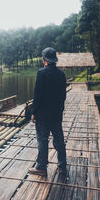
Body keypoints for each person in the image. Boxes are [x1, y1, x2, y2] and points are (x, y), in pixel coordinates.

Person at [28, 47, 67, 177]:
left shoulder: (41, 73)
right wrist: (60, 110)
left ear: (44, 60)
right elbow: (63, 96)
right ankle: (62, 166)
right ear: (54, 60)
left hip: (43, 115)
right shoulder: (62, 74)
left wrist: (33, 112)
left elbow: (37, 95)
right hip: (56, 114)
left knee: (42, 140)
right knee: (59, 140)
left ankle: (41, 168)